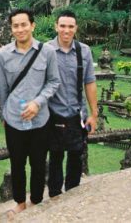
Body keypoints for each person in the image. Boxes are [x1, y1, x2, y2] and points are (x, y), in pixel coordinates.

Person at [0, 8, 60, 216]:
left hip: (40, 118)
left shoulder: (47, 52)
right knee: (17, 163)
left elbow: (53, 81)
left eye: (24, 24)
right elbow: (2, 88)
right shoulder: (3, 54)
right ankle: (20, 202)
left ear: (32, 25)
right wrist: (3, 115)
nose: (20, 29)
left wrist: (38, 102)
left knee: (39, 162)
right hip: (14, 119)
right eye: (16, 25)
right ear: (11, 29)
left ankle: (36, 200)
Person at [46, 10, 97, 198]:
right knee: (55, 156)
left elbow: (89, 82)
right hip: (53, 113)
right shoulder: (46, 50)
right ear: (56, 26)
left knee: (76, 155)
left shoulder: (84, 51)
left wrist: (94, 113)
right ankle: (54, 197)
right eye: (62, 26)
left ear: (76, 28)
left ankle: (72, 198)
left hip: (77, 113)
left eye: (70, 27)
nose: (66, 31)